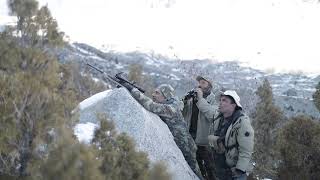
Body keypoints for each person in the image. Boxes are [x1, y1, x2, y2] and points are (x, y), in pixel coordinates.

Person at [121, 83, 203, 179]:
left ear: (165, 96)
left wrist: (133, 90)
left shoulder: (171, 108)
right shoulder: (169, 104)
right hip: (183, 145)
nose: (153, 95)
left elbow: (151, 106)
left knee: (195, 174)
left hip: (186, 148)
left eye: (157, 93)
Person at [208, 90, 254, 180]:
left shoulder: (242, 122)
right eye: (220, 100)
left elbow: (246, 150)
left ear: (234, 105)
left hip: (235, 172)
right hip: (220, 167)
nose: (220, 103)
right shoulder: (218, 118)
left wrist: (239, 170)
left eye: (224, 100)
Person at [182, 75, 218, 180]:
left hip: (205, 142)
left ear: (209, 86)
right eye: (199, 82)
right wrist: (185, 101)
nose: (200, 85)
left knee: (210, 170)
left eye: (203, 83)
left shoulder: (214, 100)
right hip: (190, 138)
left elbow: (212, 115)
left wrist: (201, 99)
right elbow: (182, 112)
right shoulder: (193, 98)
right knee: (196, 168)